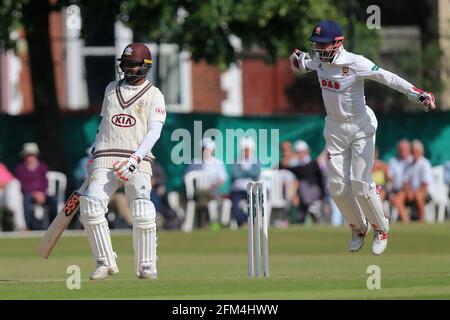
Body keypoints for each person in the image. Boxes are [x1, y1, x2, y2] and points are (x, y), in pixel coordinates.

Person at [290, 20, 436, 255]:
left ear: (338, 43)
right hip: (335, 128)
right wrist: (297, 60)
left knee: (360, 185)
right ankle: (358, 228)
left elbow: (387, 77)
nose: (318, 49)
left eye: (323, 44)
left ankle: (381, 229)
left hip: (360, 127)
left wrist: (417, 94)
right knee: (337, 187)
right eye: (316, 44)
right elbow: (302, 63)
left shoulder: (355, 62)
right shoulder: (318, 60)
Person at [79, 43, 166, 280]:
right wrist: (93, 154)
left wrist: (135, 159)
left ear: (145, 66)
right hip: (106, 155)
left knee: (142, 209)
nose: (127, 68)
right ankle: (105, 262)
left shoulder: (154, 95)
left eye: (132, 64)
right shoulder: (110, 89)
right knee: (89, 207)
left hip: (137, 157)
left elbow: (154, 132)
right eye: (125, 64)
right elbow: (103, 125)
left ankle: (147, 266)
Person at [184, 137, 228, 229]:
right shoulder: (195, 162)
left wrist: (212, 185)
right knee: (202, 196)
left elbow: (222, 179)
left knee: (213, 199)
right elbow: (187, 178)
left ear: (212, 150)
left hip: (213, 192)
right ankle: (206, 222)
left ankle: (212, 222)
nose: (205, 151)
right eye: (204, 149)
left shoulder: (218, 163)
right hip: (199, 194)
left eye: (207, 149)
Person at [15, 142, 58, 230]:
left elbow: (45, 182)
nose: (30, 157)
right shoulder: (20, 168)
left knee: (53, 199)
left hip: (42, 194)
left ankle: (56, 225)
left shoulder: (42, 166)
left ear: (36, 155)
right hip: (28, 194)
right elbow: (22, 184)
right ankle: (26, 226)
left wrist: (41, 193)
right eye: (28, 155)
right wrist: (33, 193)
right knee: (25, 200)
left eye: (32, 155)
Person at [391, 140, 433, 223]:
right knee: (396, 199)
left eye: (416, 152)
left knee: (418, 195)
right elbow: (405, 182)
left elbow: (425, 185)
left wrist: (413, 193)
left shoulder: (425, 164)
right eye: (413, 152)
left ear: (421, 152)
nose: (414, 154)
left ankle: (421, 220)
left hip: (424, 192)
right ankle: (406, 221)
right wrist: (408, 192)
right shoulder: (408, 164)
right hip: (411, 192)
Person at [288, 140, 325, 224]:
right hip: (301, 195)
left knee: (304, 186)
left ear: (306, 152)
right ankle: (312, 209)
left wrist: (322, 195)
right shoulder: (295, 166)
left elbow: (320, 180)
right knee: (300, 216)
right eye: (298, 152)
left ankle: (313, 207)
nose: (300, 154)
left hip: (314, 192)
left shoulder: (313, 164)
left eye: (302, 152)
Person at [230, 137, 261, 227]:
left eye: (248, 150)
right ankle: (242, 221)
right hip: (237, 189)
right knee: (235, 205)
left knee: (254, 204)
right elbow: (235, 174)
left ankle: (251, 222)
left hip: (252, 188)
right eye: (245, 150)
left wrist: (243, 170)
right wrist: (249, 173)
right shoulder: (236, 160)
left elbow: (257, 172)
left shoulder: (256, 160)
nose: (246, 152)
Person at [0, 161, 26, 231]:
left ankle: (10, 208)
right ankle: (21, 226)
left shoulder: (1, 166)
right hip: (3, 195)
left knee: (15, 183)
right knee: (16, 196)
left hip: (5, 195)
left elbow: (10, 180)